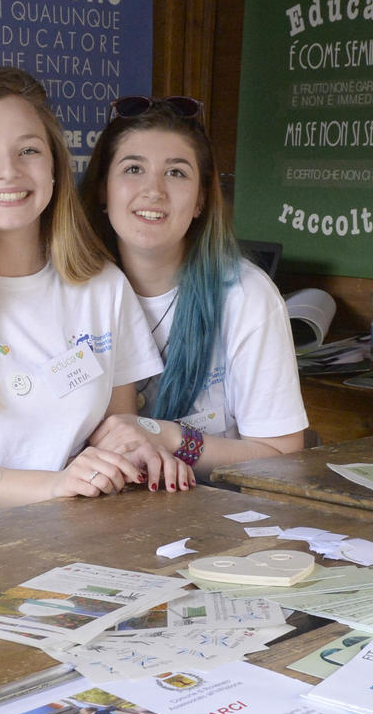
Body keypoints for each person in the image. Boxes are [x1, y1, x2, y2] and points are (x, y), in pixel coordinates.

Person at [0, 68, 185, 530]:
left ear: (56, 166)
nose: (9, 172)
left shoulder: (103, 286)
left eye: (28, 151)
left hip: (84, 544)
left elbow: (117, 427)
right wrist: (55, 486)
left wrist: (137, 449)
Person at [79, 95, 307, 473]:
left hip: (216, 514)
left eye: (176, 172)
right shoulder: (68, 290)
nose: (154, 190)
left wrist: (165, 436)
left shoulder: (245, 295)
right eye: (134, 169)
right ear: (103, 189)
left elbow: (284, 456)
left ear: (201, 199)